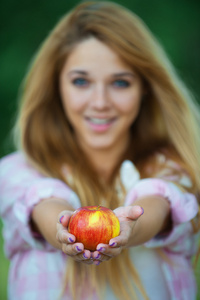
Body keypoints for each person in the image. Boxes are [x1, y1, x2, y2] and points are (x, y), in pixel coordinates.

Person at [0, 1, 200, 299]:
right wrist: (64, 229)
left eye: (120, 82)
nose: (100, 102)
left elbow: (159, 202)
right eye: (81, 81)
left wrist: (131, 227)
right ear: (56, 87)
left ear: (145, 87)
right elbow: (41, 201)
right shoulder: (16, 171)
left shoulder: (175, 168)